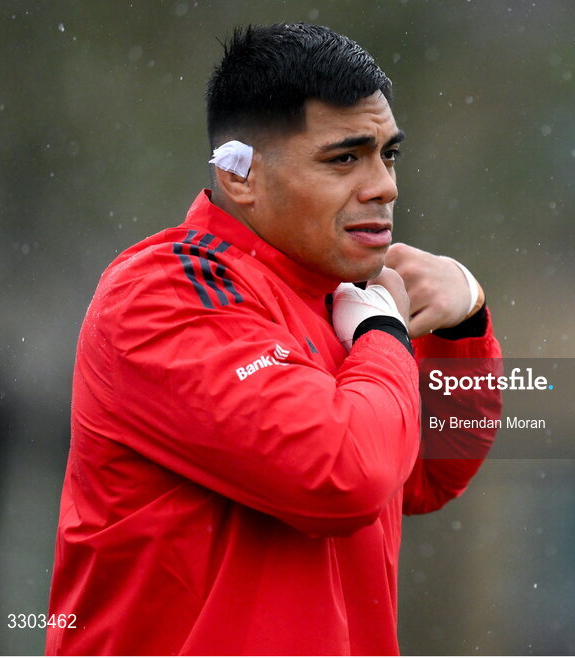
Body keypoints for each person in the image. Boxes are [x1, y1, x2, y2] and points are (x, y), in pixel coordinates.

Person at [45, 23, 502, 655]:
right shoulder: (164, 293)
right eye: (344, 158)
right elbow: (344, 474)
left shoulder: (336, 296)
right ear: (241, 178)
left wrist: (464, 324)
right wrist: (382, 333)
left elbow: (427, 473)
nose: (384, 186)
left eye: (387, 154)